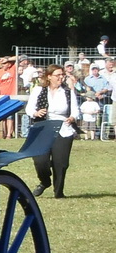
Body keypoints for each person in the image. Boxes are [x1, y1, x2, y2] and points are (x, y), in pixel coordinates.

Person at [27, 64, 78, 198]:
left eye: (62, 75)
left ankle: (59, 192)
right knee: (40, 160)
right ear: (49, 77)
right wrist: (36, 112)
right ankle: (45, 181)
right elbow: (29, 109)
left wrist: (72, 117)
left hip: (63, 128)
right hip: (43, 127)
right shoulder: (39, 90)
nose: (61, 78)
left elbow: (75, 111)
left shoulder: (68, 92)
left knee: (60, 163)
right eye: (57, 75)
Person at [0, 55, 19, 138]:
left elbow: (20, 57)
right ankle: (3, 133)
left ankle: (9, 134)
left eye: (4, 63)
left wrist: (8, 59)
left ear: (9, 64)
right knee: (3, 117)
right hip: (2, 96)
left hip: (12, 95)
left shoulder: (13, 69)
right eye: (2, 63)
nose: (2, 65)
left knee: (10, 117)